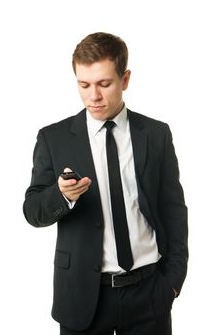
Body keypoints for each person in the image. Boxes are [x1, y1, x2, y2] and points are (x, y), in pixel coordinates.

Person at [23, 32, 188, 335]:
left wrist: (173, 282)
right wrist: (62, 196)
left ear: (125, 79)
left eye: (104, 84)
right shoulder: (53, 138)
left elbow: (173, 209)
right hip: (83, 297)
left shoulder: (156, 134)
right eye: (84, 85)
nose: (93, 96)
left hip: (149, 293)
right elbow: (33, 210)